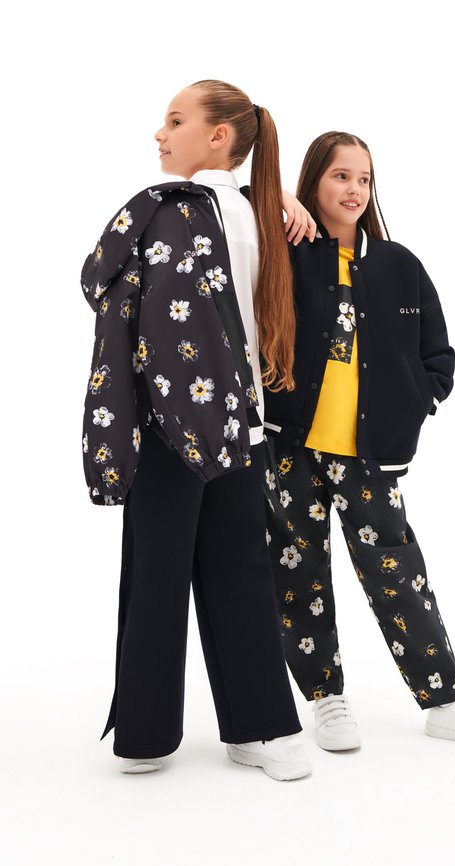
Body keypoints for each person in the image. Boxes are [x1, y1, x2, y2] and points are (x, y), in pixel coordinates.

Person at [81, 79, 316, 781]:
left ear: (219, 136)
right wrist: (277, 198)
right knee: (236, 572)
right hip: (236, 423)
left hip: (178, 424)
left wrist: (274, 197)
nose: (160, 133)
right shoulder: (241, 211)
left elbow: (98, 278)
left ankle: (154, 734)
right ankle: (258, 731)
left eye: (176, 120)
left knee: (164, 574)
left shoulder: (183, 210)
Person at [261, 131, 455, 753]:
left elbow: (438, 352)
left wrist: (418, 399)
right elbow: (237, 204)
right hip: (289, 446)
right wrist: (278, 203)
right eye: (340, 176)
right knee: (299, 574)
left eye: (364, 179)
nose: (354, 189)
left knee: (398, 574)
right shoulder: (285, 254)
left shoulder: (398, 264)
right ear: (312, 182)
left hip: (369, 452)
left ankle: (444, 700)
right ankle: (326, 699)